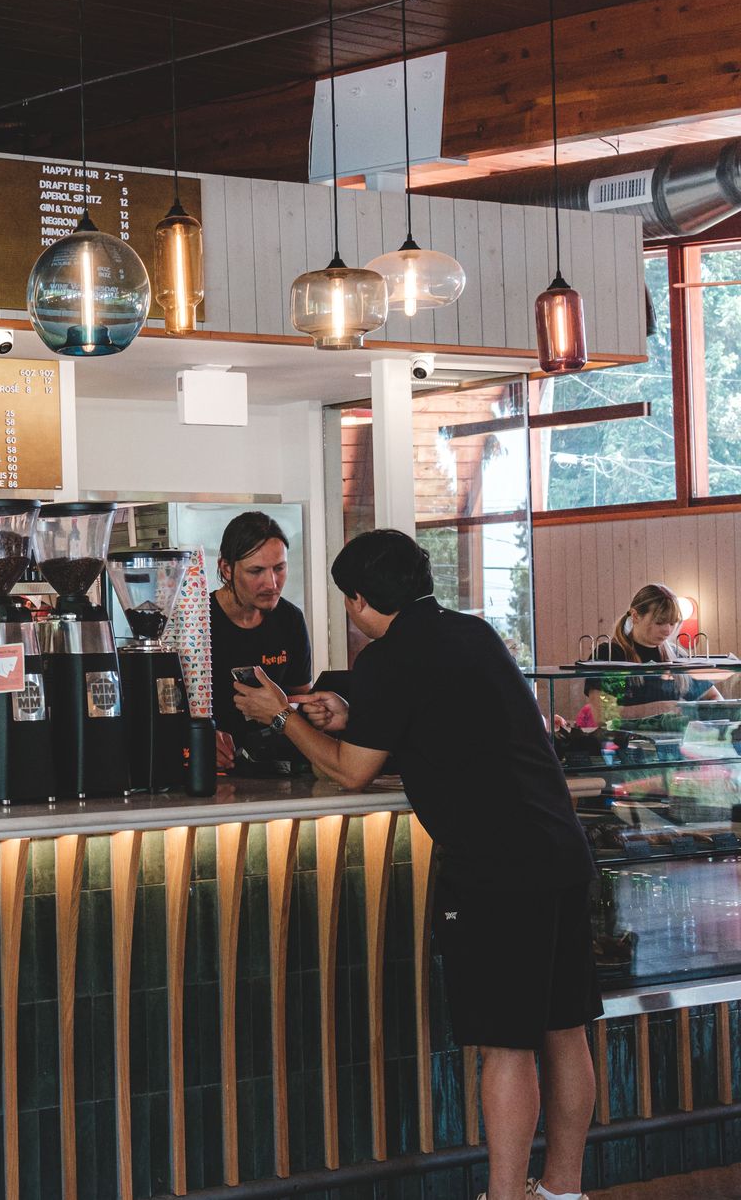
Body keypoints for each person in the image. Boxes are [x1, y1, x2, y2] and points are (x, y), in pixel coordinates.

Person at [233, 531, 596, 1200]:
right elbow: (445, 723)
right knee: (564, 1031)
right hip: (562, 851)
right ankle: (562, 1191)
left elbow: (350, 770)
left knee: (507, 1045)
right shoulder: (472, 633)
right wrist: (351, 712)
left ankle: (505, 1196)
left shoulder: (387, 658)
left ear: (359, 601)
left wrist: (281, 714)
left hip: (497, 869)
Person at [207, 511, 312, 777]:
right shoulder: (197, 621)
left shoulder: (290, 619)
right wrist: (195, 738)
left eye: (279, 568)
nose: (271, 583)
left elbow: (301, 699)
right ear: (226, 569)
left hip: (276, 770)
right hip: (209, 772)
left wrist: (319, 711)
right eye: (256, 571)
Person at [591, 583, 720, 713]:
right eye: (659, 622)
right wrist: (658, 708)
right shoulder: (609, 655)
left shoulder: (677, 656)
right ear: (635, 616)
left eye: (672, 623)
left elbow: (714, 697)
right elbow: (603, 714)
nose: (667, 631)